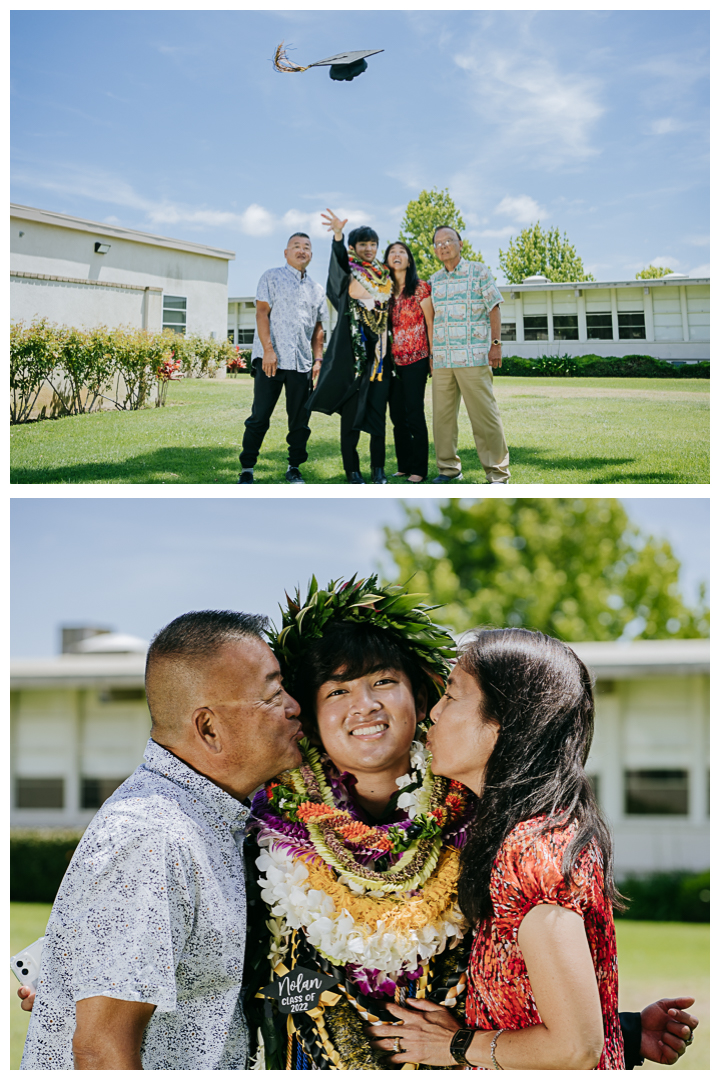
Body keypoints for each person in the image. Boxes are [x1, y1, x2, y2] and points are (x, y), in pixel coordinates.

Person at [245, 582, 698, 1070]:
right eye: (337, 690)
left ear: (420, 700)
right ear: (310, 717)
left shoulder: (505, 832)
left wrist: (457, 1044)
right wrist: (622, 1032)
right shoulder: (265, 822)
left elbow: (566, 1030)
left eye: (381, 682)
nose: (365, 705)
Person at [368, 629, 698, 1068]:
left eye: (451, 696)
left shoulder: (532, 853)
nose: (432, 714)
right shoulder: (536, 831)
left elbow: (575, 1048)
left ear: (503, 724)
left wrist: (453, 1046)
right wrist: (624, 1029)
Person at [19, 610, 303, 1070]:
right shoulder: (150, 837)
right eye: (273, 695)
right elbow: (99, 1049)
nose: (294, 705)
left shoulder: (218, 816)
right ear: (208, 728)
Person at [307, 211, 394, 483]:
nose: (368, 249)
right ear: (354, 248)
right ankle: (352, 470)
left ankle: (378, 470)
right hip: (353, 359)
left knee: (378, 416)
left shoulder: (385, 277)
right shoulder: (349, 275)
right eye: (363, 244)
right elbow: (337, 267)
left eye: (372, 244)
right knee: (351, 417)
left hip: (379, 358)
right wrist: (337, 237)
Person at [239, 233, 327, 485]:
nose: (302, 251)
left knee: (300, 421)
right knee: (259, 417)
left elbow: (318, 328)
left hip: (301, 363)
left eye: (307, 247)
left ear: (311, 254)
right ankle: (247, 469)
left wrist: (318, 360)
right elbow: (261, 313)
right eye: (296, 246)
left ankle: (294, 467)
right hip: (271, 361)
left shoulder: (316, 289)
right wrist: (268, 350)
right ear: (286, 252)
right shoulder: (271, 277)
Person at [428, 226, 510, 484]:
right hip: (443, 360)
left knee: (485, 417)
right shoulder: (434, 281)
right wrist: (431, 355)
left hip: (473, 357)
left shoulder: (478, 271)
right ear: (434, 250)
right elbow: (432, 320)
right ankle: (448, 469)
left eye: (448, 240)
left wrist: (495, 344)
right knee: (442, 419)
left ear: (460, 244)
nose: (443, 246)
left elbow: (494, 306)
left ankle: (497, 474)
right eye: (438, 243)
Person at [384, 242, 433, 483]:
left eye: (401, 252)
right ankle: (403, 465)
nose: (397, 255)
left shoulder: (421, 288)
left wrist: (433, 357)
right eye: (392, 252)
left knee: (414, 413)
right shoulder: (384, 292)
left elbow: (430, 323)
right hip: (394, 362)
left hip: (417, 359)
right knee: (397, 416)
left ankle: (419, 469)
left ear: (409, 260)